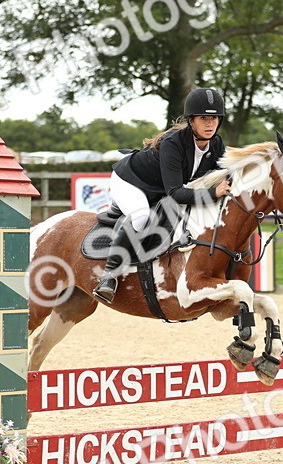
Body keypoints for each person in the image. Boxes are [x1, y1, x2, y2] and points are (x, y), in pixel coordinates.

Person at [93, 87, 231, 303]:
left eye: (215, 118)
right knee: (141, 218)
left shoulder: (217, 144)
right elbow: (176, 193)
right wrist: (213, 193)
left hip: (160, 188)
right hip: (130, 182)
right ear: (191, 120)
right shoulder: (173, 143)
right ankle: (109, 276)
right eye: (203, 118)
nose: (210, 124)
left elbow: (228, 173)